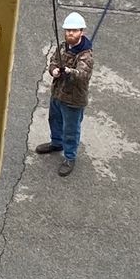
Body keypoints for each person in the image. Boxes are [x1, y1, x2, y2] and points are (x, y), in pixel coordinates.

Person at [38, 12, 93, 177]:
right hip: (58, 93)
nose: (70, 33)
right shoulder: (62, 46)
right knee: (54, 119)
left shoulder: (86, 55)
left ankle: (70, 157)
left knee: (71, 129)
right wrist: (53, 70)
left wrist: (69, 71)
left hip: (73, 99)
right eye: (68, 30)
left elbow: (83, 75)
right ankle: (56, 143)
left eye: (74, 30)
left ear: (81, 32)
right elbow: (54, 60)